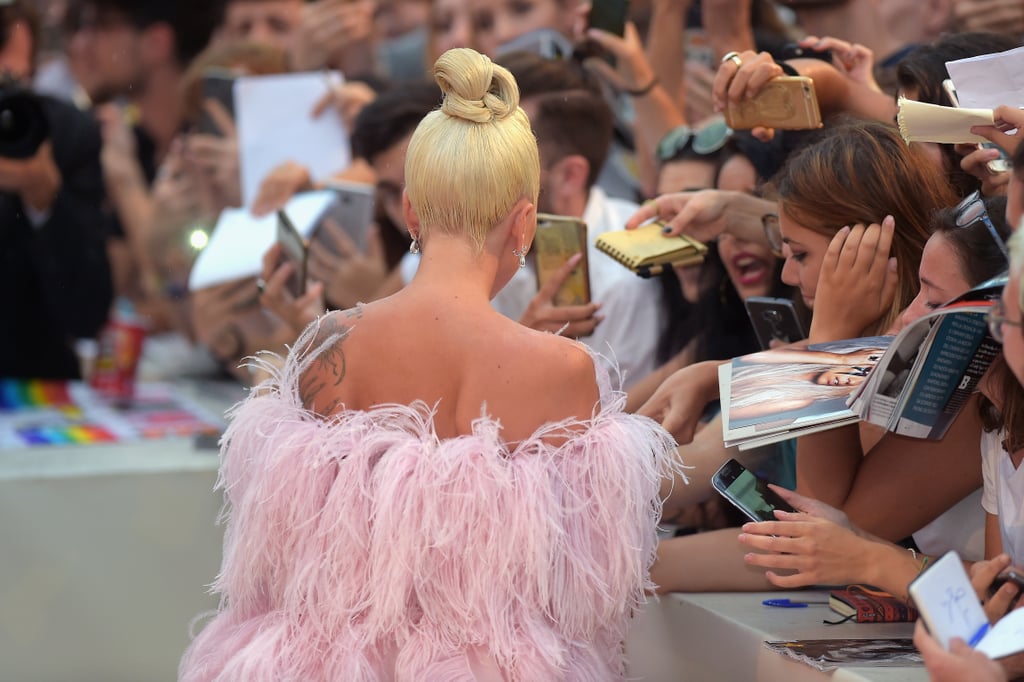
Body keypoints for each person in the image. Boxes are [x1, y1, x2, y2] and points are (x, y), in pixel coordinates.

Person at [179, 47, 679, 680]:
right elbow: (587, 593)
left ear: (411, 211)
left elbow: (282, 562)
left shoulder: (332, 341)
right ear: (525, 222)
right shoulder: (565, 371)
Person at [0, 0, 111, 379]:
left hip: (31, 377)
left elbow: (87, 314)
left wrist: (44, 200)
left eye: (9, 84)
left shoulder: (60, 134)